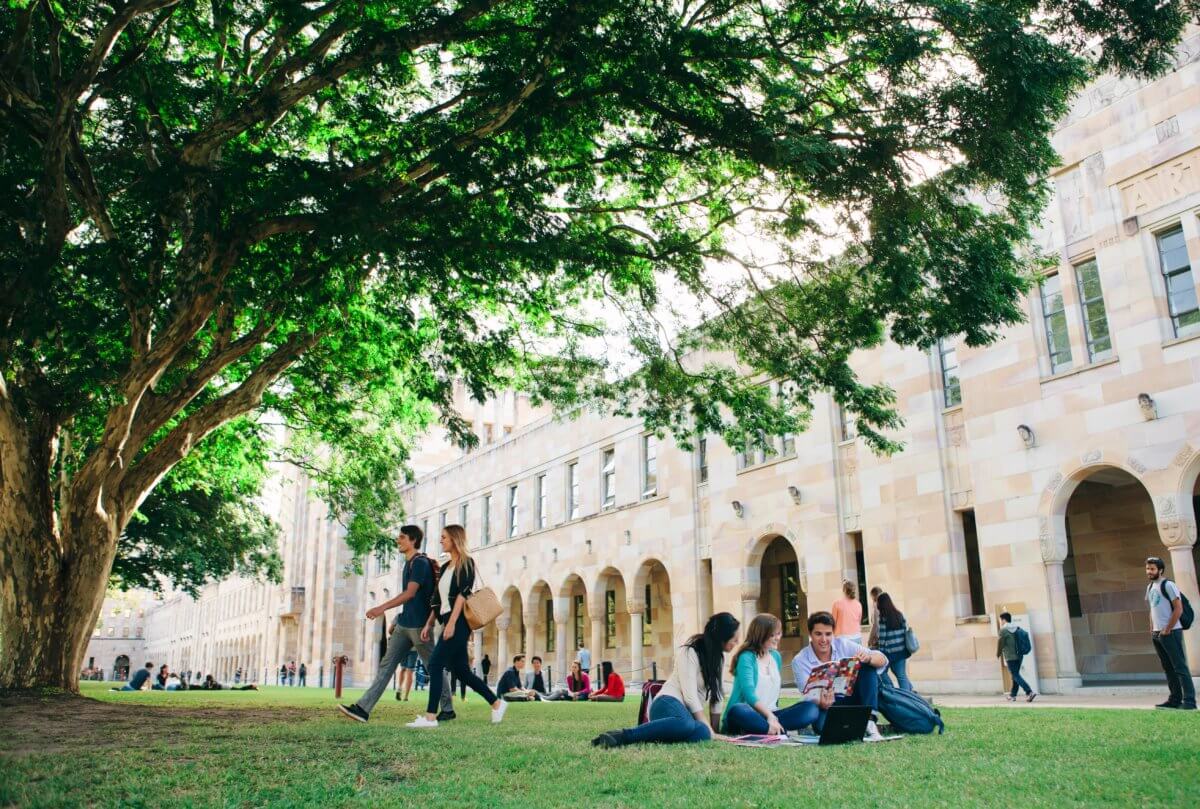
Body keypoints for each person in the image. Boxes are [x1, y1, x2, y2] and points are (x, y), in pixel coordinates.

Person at [338, 524, 455, 723]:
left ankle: (448, 708)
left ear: (413, 540)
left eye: (402, 537)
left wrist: (381, 608)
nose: (398, 540)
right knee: (386, 666)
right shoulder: (408, 564)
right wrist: (395, 619)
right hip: (404, 624)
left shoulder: (419, 563)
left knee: (433, 667)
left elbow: (410, 593)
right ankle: (363, 709)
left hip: (419, 627)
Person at [407, 524, 507, 728]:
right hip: (448, 620)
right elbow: (438, 600)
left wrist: (452, 624)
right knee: (462, 672)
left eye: (444, 537)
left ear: (454, 539)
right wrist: (429, 623)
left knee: (435, 664)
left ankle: (430, 717)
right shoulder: (445, 567)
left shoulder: (467, 563)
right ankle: (497, 703)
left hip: (459, 622)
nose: (441, 540)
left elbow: (462, 595)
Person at [592, 612, 740, 748]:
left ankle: (660, 734)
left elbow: (717, 697)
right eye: (734, 639)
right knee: (686, 724)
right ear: (721, 638)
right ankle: (622, 736)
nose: (737, 642)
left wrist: (713, 731)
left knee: (702, 732)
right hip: (666, 703)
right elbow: (690, 697)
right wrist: (711, 731)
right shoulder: (689, 652)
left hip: (686, 717)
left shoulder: (719, 659)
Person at [790, 611, 888, 739]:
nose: (824, 640)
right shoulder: (799, 660)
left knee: (867, 666)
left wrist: (868, 658)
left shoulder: (843, 644)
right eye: (818, 634)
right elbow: (806, 693)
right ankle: (856, 724)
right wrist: (821, 701)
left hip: (851, 698)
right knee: (823, 727)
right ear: (810, 634)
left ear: (833, 634)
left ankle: (869, 721)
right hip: (825, 705)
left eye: (828, 634)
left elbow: (883, 660)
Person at [722, 613, 819, 735]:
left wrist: (772, 716)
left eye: (778, 633)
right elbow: (749, 695)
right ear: (760, 635)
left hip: (771, 714)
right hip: (748, 714)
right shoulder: (746, 657)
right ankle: (774, 730)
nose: (777, 638)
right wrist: (770, 716)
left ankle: (767, 729)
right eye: (772, 635)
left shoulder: (775, 656)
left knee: (810, 708)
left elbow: (774, 695)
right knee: (737, 710)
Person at [1145, 556, 1196, 710]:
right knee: (1168, 668)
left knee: (1180, 667)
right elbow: (1153, 608)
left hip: (1171, 632)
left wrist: (1168, 628)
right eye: (1147, 568)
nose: (1149, 571)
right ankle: (1174, 700)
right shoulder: (1150, 587)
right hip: (1157, 633)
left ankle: (1189, 702)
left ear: (1160, 570)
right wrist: (1152, 627)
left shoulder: (1168, 585)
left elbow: (1178, 608)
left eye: (1152, 569)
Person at [875, 592, 915, 692]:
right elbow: (904, 631)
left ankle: (891, 689)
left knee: (880, 671)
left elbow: (882, 638)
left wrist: (880, 652)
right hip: (901, 651)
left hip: (889, 653)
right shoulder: (899, 615)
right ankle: (909, 695)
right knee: (901, 676)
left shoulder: (883, 618)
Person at [996, 612, 1035, 702]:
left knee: (1015, 675)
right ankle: (1012, 695)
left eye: (1000, 620)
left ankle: (1029, 692)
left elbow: (1000, 644)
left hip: (1010, 656)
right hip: (1019, 656)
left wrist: (998, 654)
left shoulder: (1003, 630)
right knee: (1015, 675)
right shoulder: (1017, 628)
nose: (1000, 622)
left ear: (1004, 620)